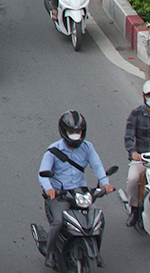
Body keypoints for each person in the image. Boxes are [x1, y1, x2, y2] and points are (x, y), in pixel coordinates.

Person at [40, 111, 114, 267]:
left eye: (78, 132)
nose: (75, 135)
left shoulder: (88, 148)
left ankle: (96, 253)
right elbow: (43, 174)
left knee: (97, 219)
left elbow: (97, 166)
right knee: (59, 221)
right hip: (60, 195)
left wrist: (105, 183)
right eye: (71, 132)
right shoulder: (53, 151)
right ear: (64, 131)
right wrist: (48, 189)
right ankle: (51, 254)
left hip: (81, 193)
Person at [124, 80, 150, 228]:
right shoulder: (136, 114)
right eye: (148, 95)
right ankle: (134, 209)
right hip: (142, 158)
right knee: (133, 179)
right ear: (143, 96)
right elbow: (128, 137)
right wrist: (133, 152)